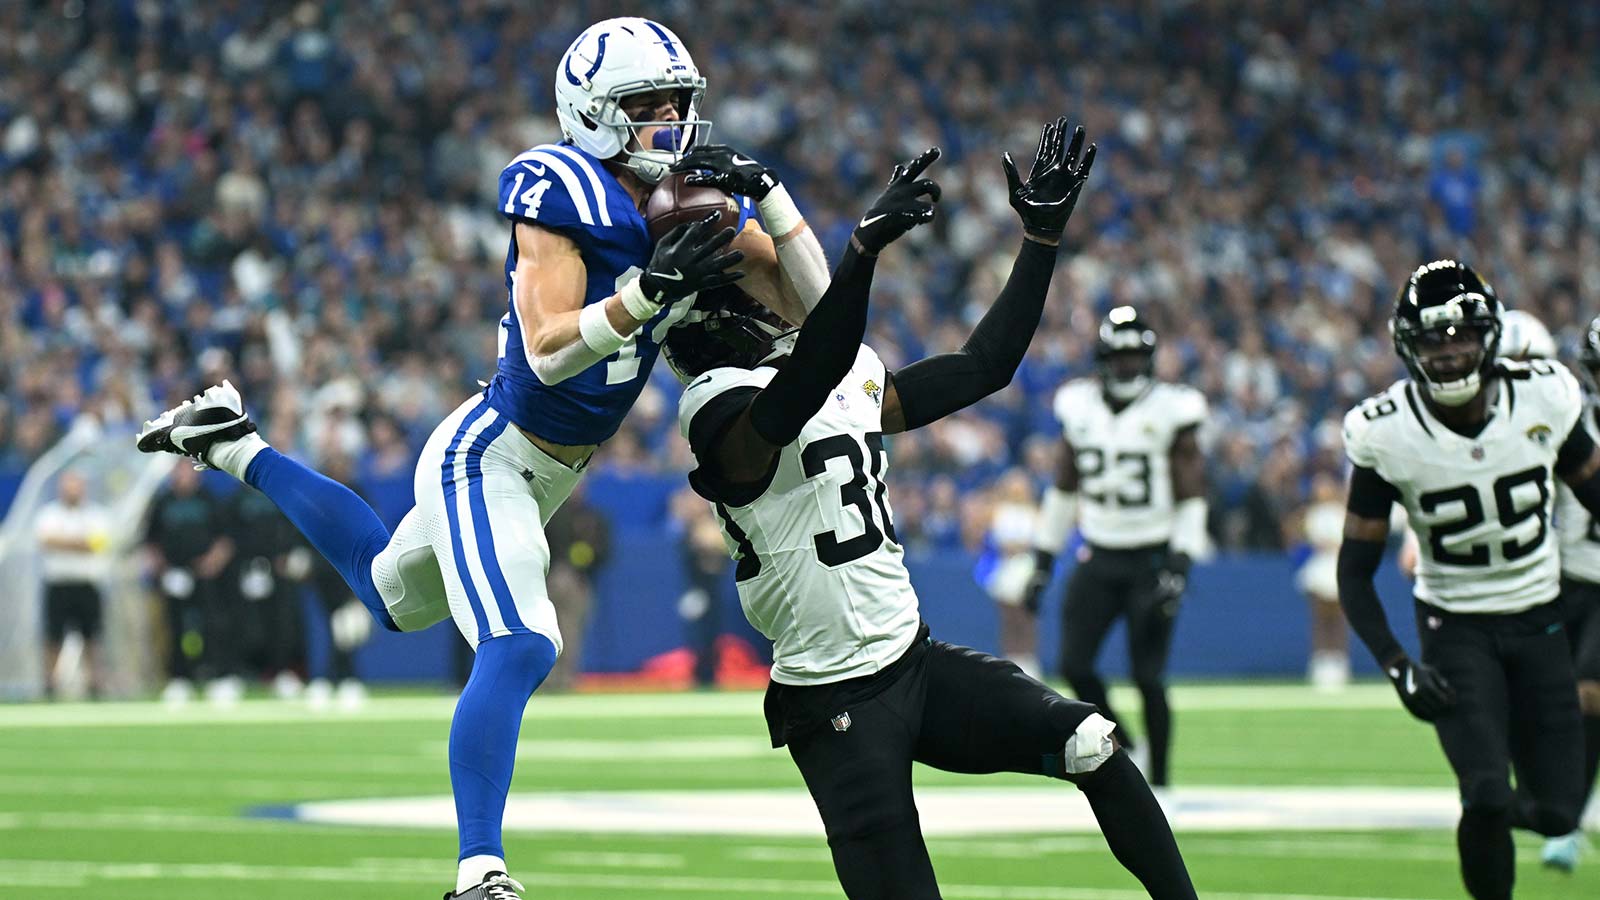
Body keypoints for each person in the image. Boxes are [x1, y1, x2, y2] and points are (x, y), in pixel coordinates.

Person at [132, 17, 832, 899]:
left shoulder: (690, 203)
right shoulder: (561, 185)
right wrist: (648, 290)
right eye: (646, 105)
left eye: (677, 103)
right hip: (491, 453)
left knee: (392, 594)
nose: (669, 122)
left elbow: (821, 314)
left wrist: (775, 204)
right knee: (525, 639)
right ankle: (479, 872)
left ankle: (232, 443)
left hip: (554, 469)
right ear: (592, 113)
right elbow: (544, 349)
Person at [669, 121, 1195, 900]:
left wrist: (1040, 242)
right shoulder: (714, 405)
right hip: (833, 699)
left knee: (1090, 744)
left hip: (913, 661)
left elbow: (985, 366)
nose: (777, 293)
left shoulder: (836, 376)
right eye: (760, 288)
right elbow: (807, 380)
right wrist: (854, 252)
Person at [1338, 260, 1600, 900]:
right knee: (1484, 792)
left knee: (1560, 812)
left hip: (1541, 619)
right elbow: (1355, 569)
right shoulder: (1386, 432)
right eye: (1434, 338)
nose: (1451, 352)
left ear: (1491, 337)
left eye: (1461, 335)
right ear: (1408, 344)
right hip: (1455, 626)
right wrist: (1398, 663)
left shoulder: (1544, 396)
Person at [1019, 307, 1209, 787]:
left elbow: (1191, 495)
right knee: (1074, 666)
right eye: (1119, 356)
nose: (1127, 366)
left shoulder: (1173, 408)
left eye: (1135, 356)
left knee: (1148, 676)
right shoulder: (1077, 406)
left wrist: (1180, 564)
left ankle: (1163, 781)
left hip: (1151, 556)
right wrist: (1043, 560)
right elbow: (1063, 490)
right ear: (1103, 358)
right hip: (1099, 553)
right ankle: (1130, 743)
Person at [1542, 314, 1600, 871]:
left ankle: (1570, 820)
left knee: (1588, 693)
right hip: (1564, 577)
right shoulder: (1569, 416)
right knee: (1551, 698)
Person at [141, 464, 234, 705]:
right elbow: (151, 542)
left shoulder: (209, 499)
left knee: (213, 625)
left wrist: (212, 563)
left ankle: (218, 676)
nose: (184, 477)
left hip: (205, 574)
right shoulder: (163, 501)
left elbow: (225, 538)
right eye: (179, 472)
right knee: (176, 627)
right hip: (175, 575)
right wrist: (164, 571)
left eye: (188, 471)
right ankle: (179, 679)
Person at [33, 470, 111, 699]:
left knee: (92, 636)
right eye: (68, 484)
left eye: (76, 484)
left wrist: (64, 542)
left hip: (86, 583)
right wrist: (81, 542)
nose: (72, 489)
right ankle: (49, 684)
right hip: (58, 583)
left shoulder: (97, 514)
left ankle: (95, 684)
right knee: (53, 636)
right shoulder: (49, 513)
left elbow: (98, 544)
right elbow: (46, 541)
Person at [976, 468, 1043, 679]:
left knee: (1026, 618)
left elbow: (1038, 538)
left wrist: (1020, 546)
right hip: (1005, 568)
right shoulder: (999, 511)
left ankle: (1029, 661)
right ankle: (1010, 660)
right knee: (1009, 618)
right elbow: (993, 537)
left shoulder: (1034, 512)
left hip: (1026, 567)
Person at [1295, 471, 1351, 691]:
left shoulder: (1341, 514)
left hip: (1336, 569)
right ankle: (1321, 663)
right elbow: (1304, 535)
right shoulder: (1312, 514)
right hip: (1320, 570)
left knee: (1339, 621)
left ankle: (1339, 664)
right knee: (1320, 621)